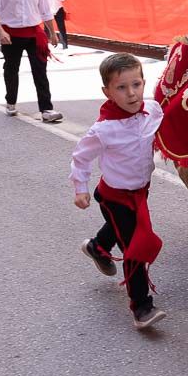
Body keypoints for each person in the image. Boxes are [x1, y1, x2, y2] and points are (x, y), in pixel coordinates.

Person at [70, 53, 166, 330]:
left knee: (118, 229)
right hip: (115, 196)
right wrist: (80, 188)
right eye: (121, 88)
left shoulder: (153, 110)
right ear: (107, 92)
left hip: (141, 190)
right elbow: (81, 157)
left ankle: (96, 247)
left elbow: (167, 123)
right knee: (135, 246)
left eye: (136, 84)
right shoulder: (103, 130)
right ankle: (141, 306)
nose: (131, 93)